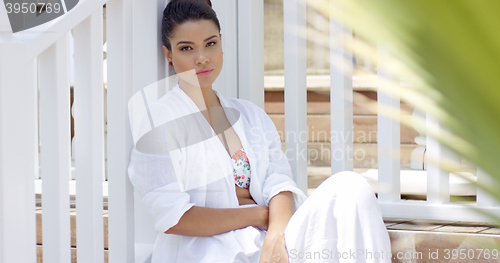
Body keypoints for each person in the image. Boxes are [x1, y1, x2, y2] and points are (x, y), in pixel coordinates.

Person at [127, 0, 392, 262]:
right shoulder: (160, 121)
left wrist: (277, 236)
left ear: (221, 43)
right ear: (169, 55)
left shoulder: (250, 115)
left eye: (210, 43)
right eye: (187, 48)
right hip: (208, 252)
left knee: (350, 187)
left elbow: (279, 184)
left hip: (268, 242)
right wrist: (258, 215)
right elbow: (174, 216)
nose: (202, 58)